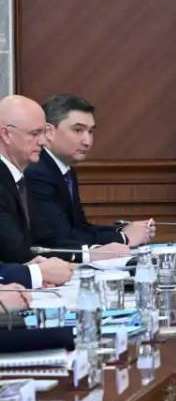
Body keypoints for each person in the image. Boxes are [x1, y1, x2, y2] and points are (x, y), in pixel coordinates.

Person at [26, 94, 154, 254]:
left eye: (91, 131)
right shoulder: (36, 172)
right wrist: (124, 238)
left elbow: (80, 228)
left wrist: (124, 230)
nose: (87, 141)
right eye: (78, 130)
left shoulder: (65, 169)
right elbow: (59, 238)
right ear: (49, 132)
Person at [0, 95, 73, 288]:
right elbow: (13, 250)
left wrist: (34, 266)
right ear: (6, 135)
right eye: (35, 133)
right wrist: (34, 273)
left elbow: (32, 244)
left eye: (44, 132)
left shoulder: (20, 177)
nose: (43, 141)